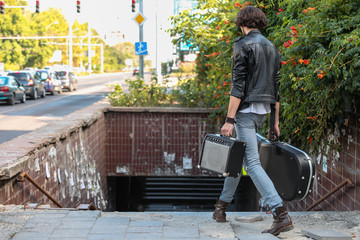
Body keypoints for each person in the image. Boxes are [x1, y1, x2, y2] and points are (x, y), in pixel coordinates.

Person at [212, 6, 294, 236]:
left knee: (251, 163)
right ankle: (221, 207)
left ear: (241, 23)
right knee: (237, 158)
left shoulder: (242, 45)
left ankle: (281, 214)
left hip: (245, 112)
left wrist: (229, 120)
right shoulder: (272, 47)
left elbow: (237, 86)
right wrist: (275, 122)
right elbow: (276, 89)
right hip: (262, 112)